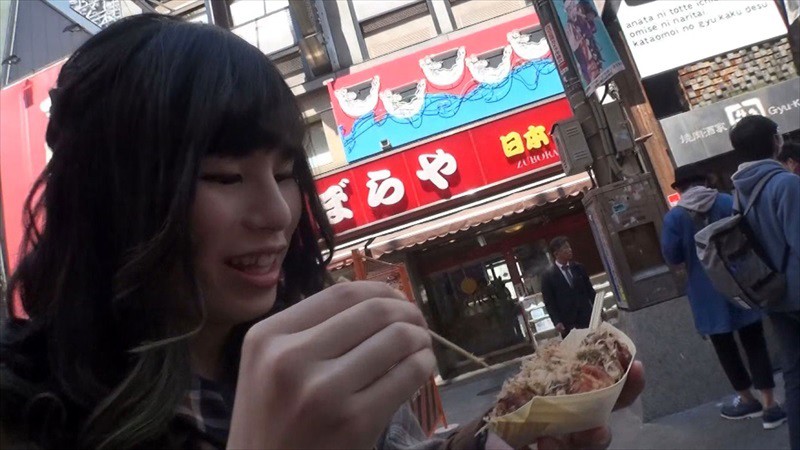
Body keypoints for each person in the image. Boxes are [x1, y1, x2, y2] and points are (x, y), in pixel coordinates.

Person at [0, 14, 644, 450]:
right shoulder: (25, 406)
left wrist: (504, 433)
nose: (277, 214)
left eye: (286, 174)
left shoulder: (313, 352)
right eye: (224, 176)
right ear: (112, 193)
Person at [660, 164, 786, 428]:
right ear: (705, 181)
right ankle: (770, 405)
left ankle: (747, 399)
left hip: (706, 293)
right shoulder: (727, 201)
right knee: (755, 342)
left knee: (725, 349)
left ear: (680, 189)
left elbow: (672, 256)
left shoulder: (675, 218)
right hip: (741, 282)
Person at [729, 115, 800, 450]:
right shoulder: (786, 184)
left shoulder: (740, 191)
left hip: (774, 295)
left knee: (795, 377)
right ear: (774, 141)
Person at [541, 236, 595, 338]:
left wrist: (598, 309)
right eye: (565, 248)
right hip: (568, 322)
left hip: (587, 317)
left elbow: (590, 290)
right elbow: (549, 302)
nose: (570, 250)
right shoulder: (548, 276)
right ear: (556, 253)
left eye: (569, 247)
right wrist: (557, 321)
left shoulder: (579, 268)